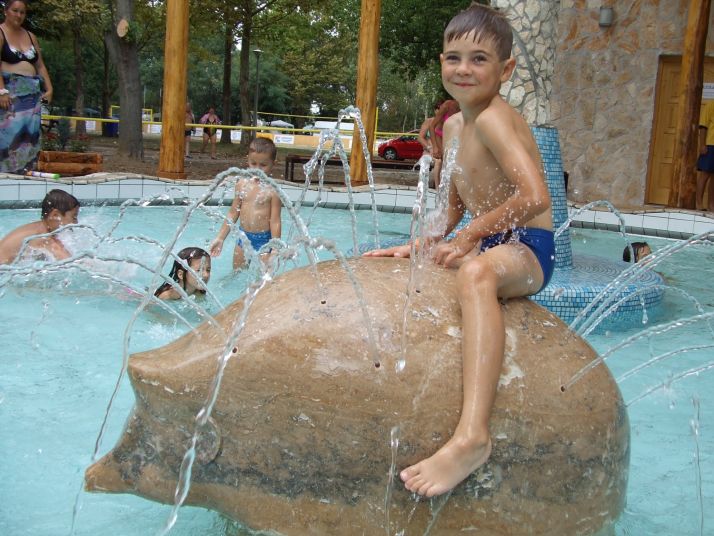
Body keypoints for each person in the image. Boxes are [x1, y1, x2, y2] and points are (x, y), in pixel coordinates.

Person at [364, 3, 554, 498]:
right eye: (453, 58)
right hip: (491, 242)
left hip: (528, 248)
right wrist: (420, 243)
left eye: (479, 59)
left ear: (506, 70)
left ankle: (473, 436)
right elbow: (451, 213)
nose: (463, 69)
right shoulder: (452, 128)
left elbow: (536, 198)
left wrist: (471, 238)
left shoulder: (495, 119)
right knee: (438, 266)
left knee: (474, 277)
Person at [209, 137, 282, 270]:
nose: (257, 169)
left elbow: (275, 221)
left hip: (264, 240)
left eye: (263, 165)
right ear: (247, 160)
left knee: (263, 280)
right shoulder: (242, 184)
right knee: (236, 273)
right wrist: (220, 238)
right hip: (243, 237)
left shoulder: (273, 190)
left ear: (273, 163)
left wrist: (275, 247)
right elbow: (233, 212)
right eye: (253, 163)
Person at [0, 0, 54, 174]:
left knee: (30, 139)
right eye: (15, 11)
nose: (19, 15)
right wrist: (2, 91)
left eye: (22, 12)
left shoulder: (31, 36)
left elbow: (40, 65)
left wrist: (49, 88)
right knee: (9, 138)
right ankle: (5, 176)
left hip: (32, 95)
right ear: (6, 11)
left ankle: (26, 174)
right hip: (10, 93)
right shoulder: (0, 33)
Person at [0, 189, 79, 264]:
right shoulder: (42, 237)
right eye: (74, 217)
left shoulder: (38, 228)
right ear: (55, 215)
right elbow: (68, 261)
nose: (76, 222)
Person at [428, 98, 460, 189]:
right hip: (440, 134)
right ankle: (439, 188)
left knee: (455, 164)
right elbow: (432, 126)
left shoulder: (467, 106)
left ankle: (450, 190)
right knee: (444, 161)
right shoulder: (448, 105)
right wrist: (434, 147)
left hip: (452, 136)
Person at [696, 100, 714, 211]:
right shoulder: (710, 105)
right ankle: (699, 203)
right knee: (705, 174)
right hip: (711, 145)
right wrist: (702, 144)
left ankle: (711, 205)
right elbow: (703, 126)